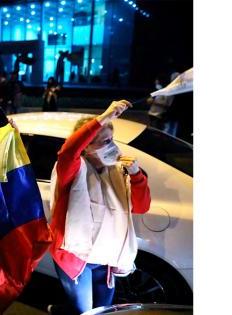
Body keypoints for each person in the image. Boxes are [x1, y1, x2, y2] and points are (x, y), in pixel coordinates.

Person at [48, 100, 151, 314]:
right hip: (77, 257)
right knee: (84, 311)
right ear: (85, 146)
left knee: (103, 310)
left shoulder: (117, 171)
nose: (111, 146)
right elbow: (67, 152)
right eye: (103, 142)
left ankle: (60, 310)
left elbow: (140, 208)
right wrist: (104, 117)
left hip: (106, 257)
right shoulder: (73, 169)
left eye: (111, 140)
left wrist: (137, 176)